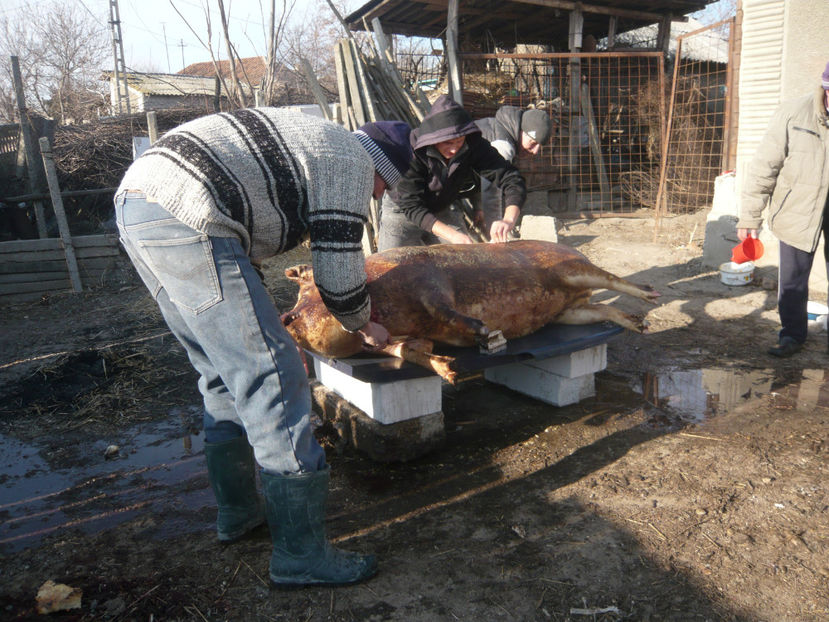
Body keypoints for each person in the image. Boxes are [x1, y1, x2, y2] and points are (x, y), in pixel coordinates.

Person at [114, 108, 413, 587]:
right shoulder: (351, 162)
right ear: (380, 169)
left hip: (141, 203)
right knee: (274, 375)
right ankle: (300, 555)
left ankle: (237, 514)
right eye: (384, 188)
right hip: (189, 212)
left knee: (219, 371)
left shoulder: (316, 143)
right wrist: (364, 324)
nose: (378, 198)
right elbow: (338, 279)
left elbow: (238, 239)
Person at [738, 61, 829, 358]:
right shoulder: (793, 113)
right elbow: (765, 165)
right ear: (825, 87)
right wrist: (750, 214)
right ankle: (792, 335)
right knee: (792, 281)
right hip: (797, 208)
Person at [377, 94, 527, 250]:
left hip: (440, 209)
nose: (455, 149)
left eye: (459, 141)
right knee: (391, 266)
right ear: (434, 139)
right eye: (448, 143)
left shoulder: (473, 144)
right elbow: (411, 206)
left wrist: (508, 220)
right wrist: (453, 235)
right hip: (401, 211)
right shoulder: (410, 150)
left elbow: (511, 178)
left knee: (464, 260)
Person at [475, 106, 552, 231]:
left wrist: (478, 207)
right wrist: (495, 227)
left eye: (539, 146)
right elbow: (491, 192)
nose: (535, 151)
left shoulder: (502, 127)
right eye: (533, 143)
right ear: (522, 131)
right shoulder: (503, 147)